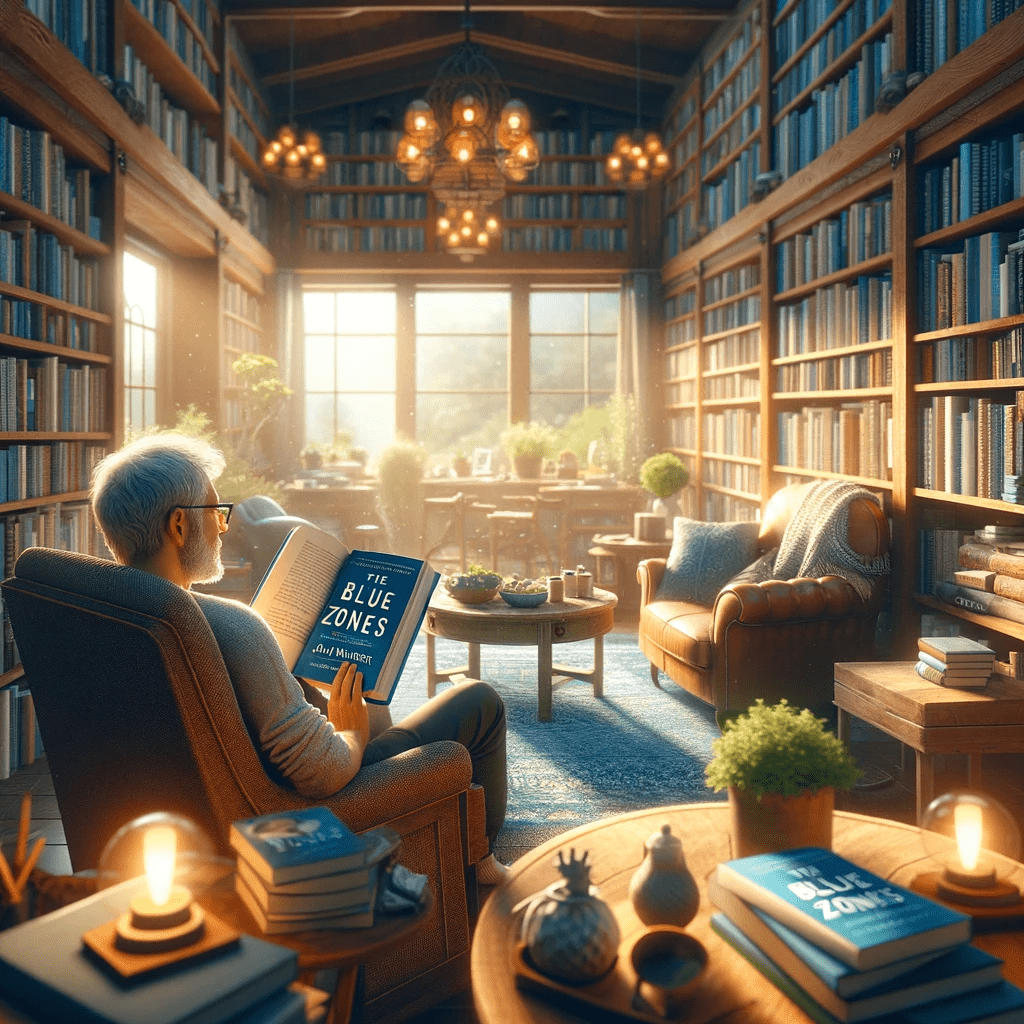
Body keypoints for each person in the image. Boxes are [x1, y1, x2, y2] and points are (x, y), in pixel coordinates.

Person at [90, 434, 509, 883]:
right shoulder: (232, 626)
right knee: (479, 702)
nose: (223, 527)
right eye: (216, 512)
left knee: (367, 696)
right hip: (301, 807)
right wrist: (349, 731)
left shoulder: (106, 612)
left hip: (200, 804)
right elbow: (321, 774)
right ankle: (481, 858)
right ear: (178, 526)